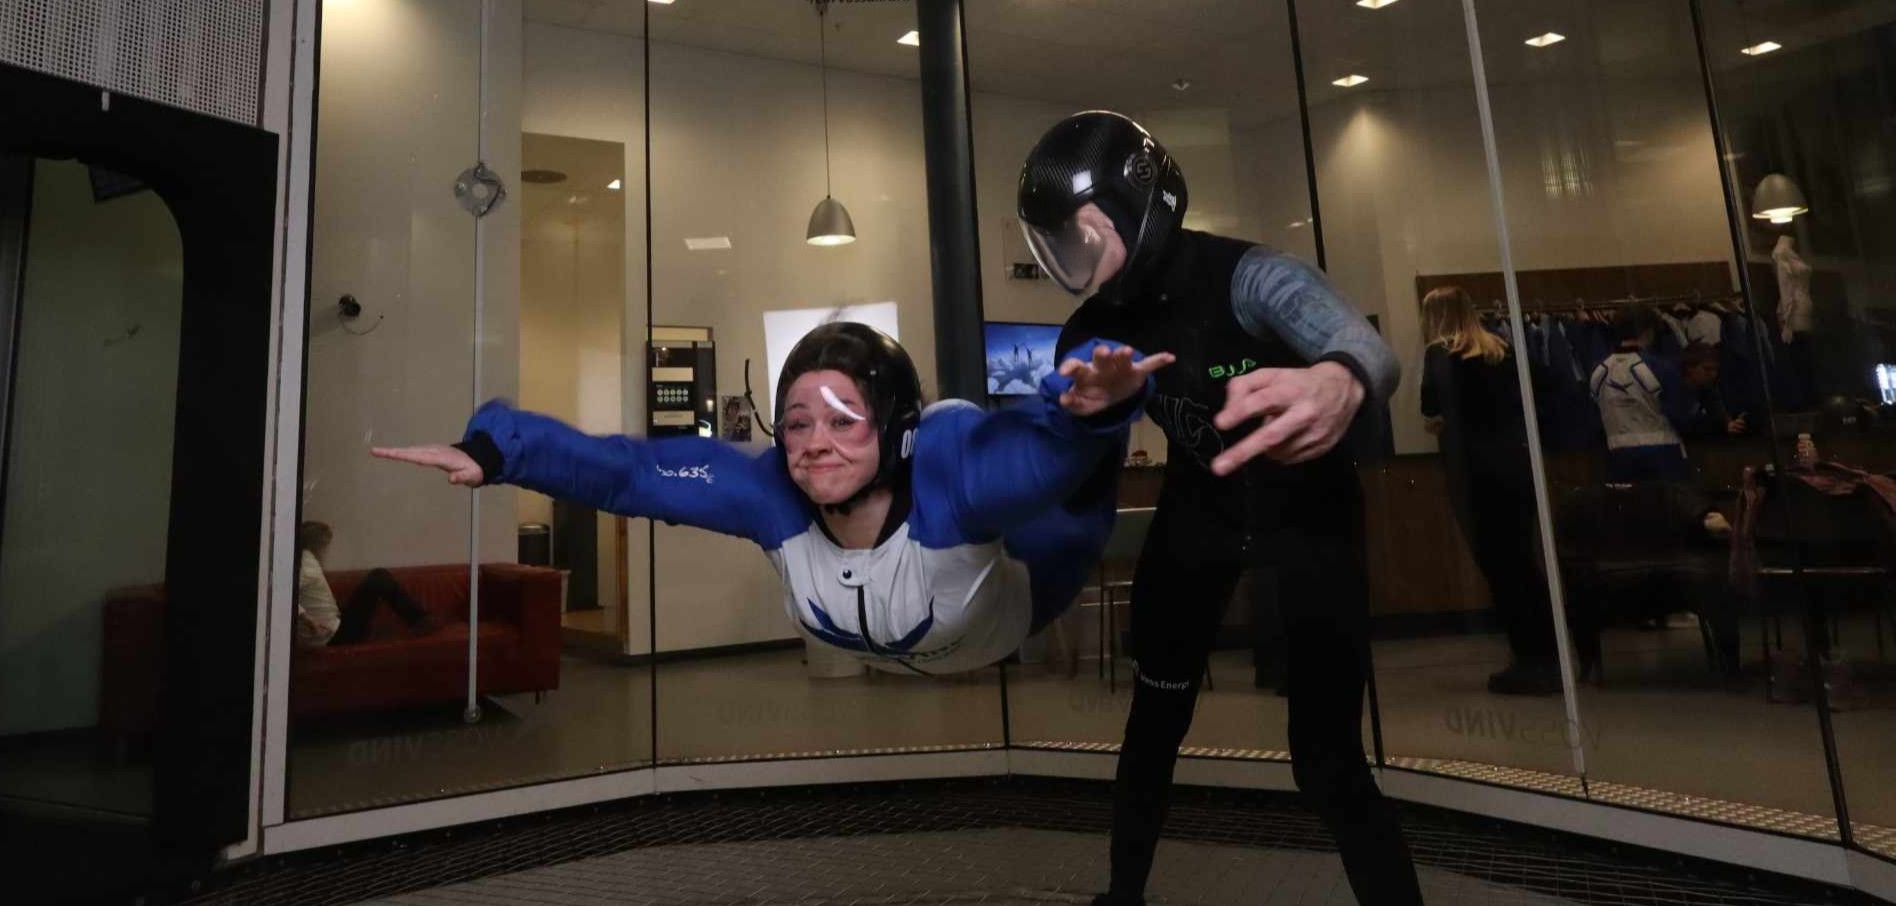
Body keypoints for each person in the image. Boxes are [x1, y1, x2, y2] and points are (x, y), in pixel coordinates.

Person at [1017, 111, 1421, 906]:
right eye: (1063, 241)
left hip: (1309, 514)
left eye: (1089, 233)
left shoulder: (1251, 275)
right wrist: (1092, 408)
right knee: (1154, 727)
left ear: (1146, 207)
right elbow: (1073, 402)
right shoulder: (1090, 329)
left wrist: (1336, 381)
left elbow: (1364, 347)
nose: (1078, 258)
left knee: (1327, 756)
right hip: (1198, 512)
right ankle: (1121, 897)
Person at [374, 322, 1174, 675]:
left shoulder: (951, 479)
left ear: (893, 431)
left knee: (1020, 459)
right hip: (931, 603)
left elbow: (1038, 468)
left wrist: (1092, 415)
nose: (813, 443)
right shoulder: (772, 493)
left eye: (842, 421)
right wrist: (496, 450)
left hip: (1027, 577)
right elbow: (628, 472)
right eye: (795, 423)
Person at [1419, 287, 1560, 696]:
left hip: (1474, 470)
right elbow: (1548, 383)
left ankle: (1529, 660)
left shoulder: (1439, 353)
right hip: (1514, 463)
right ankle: (1546, 655)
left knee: (1500, 567)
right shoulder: (1501, 348)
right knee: (1523, 563)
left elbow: (1431, 407)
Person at [294, 520, 439, 647]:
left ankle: (420, 620)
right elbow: (284, 595)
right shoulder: (307, 565)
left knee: (376, 578)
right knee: (379, 577)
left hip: (333, 627)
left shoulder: (305, 560)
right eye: (325, 545)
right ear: (317, 544)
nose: (326, 550)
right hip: (334, 636)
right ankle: (419, 621)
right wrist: (306, 618)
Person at [1589, 308, 1691, 481]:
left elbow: (1594, 419)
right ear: (1648, 331)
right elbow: (1681, 414)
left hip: (1617, 455)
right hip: (1663, 454)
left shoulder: (1599, 372)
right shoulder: (1660, 368)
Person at [1677, 342, 1749, 440]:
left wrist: (1728, 424)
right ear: (1689, 368)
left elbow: (1717, 412)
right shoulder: (1675, 390)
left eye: (1715, 369)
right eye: (1707, 369)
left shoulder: (1707, 390)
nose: (1713, 374)